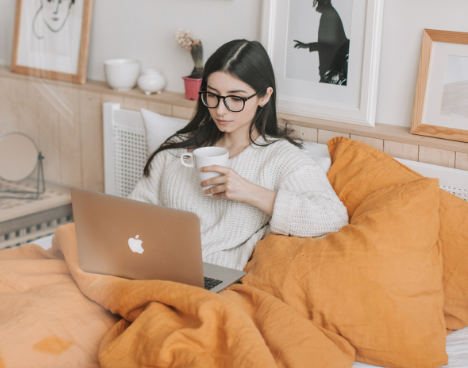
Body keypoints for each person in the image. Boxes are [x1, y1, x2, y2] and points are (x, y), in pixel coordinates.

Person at [129, 40, 349, 271]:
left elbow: (333, 217)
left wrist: (250, 192)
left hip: (211, 280)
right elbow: (133, 211)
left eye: (236, 98)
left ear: (264, 97)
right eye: (212, 95)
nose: (220, 110)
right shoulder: (176, 149)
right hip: (152, 265)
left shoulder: (281, 159)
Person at [293, 0, 349, 85]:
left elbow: (329, 45)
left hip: (334, 74)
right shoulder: (330, 15)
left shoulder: (329, 15)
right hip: (332, 73)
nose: (316, 2)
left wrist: (307, 46)